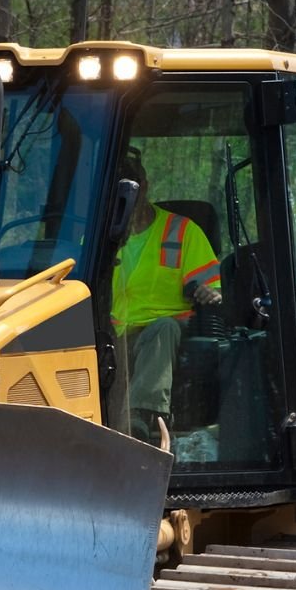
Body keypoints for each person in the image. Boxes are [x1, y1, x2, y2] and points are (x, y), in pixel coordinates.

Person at [110, 152, 224, 449]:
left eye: (131, 188)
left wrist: (210, 293)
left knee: (163, 329)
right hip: (113, 332)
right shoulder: (99, 238)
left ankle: (143, 419)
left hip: (163, 332)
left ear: (144, 186)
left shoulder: (182, 231)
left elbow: (215, 289)